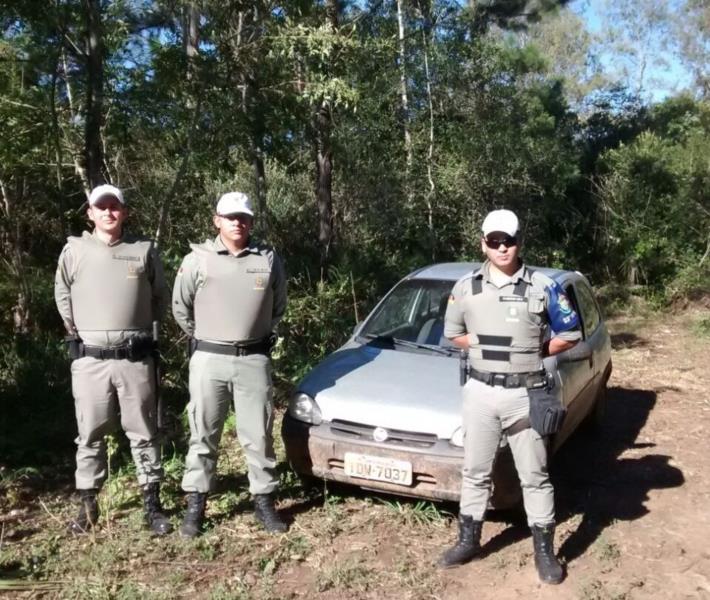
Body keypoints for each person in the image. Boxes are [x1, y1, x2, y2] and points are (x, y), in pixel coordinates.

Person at [439, 209, 581, 584]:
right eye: (494, 241)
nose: (502, 248)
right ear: (482, 243)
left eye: (509, 240)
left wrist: (533, 352)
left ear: (521, 241)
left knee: (534, 474)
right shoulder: (465, 287)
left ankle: (545, 552)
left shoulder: (543, 286)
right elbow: (454, 334)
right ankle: (468, 540)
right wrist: (490, 350)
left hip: (526, 393)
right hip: (481, 392)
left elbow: (571, 332)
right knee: (475, 472)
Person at [54, 184, 172, 536]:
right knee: (89, 434)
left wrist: (141, 334)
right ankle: (88, 505)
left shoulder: (143, 250)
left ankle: (152, 505)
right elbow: (62, 293)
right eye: (100, 207)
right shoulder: (74, 250)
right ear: (90, 213)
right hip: (90, 361)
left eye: (114, 207)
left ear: (124, 211)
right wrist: (79, 329)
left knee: (144, 432)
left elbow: (159, 297)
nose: (108, 213)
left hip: (135, 360)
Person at [172, 191, 288, 537]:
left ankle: (264, 502)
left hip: (254, 359)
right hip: (209, 359)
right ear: (216, 220)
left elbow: (278, 305)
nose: (238, 222)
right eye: (230, 216)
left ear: (251, 221)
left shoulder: (268, 259)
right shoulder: (198, 259)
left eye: (244, 216)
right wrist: (209, 337)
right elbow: (181, 308)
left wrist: (255, 336)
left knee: (258, 435)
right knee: (203, 433)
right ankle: (196, 505)